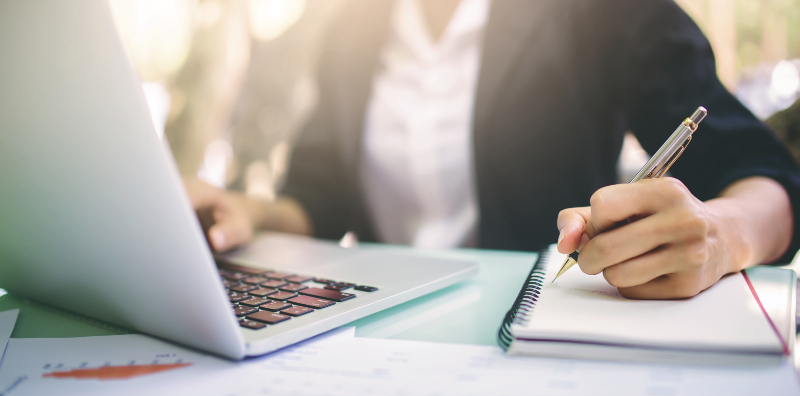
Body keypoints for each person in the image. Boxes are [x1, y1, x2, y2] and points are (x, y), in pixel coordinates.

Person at [187, 0, 800, 299]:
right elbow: (319, 201)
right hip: (377, 329)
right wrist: (252, 213)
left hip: (545, 331)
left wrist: (723, 234)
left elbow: (767, 175)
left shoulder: (600, 11)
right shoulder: (351, 29)